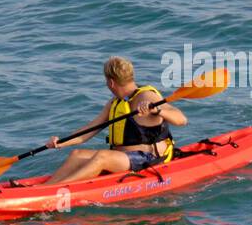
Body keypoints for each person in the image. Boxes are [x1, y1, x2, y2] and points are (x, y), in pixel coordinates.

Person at [43, 57, 188, 185]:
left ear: (111, 82)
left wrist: (157, 111)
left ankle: (56, 191)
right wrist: (60, 143)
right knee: (77, 154)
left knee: (102, 157)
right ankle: (45, 187)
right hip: (123, 158)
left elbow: (181, 120)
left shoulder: (147, 97)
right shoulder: (115, 103)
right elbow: (90, 129)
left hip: (148, 158)